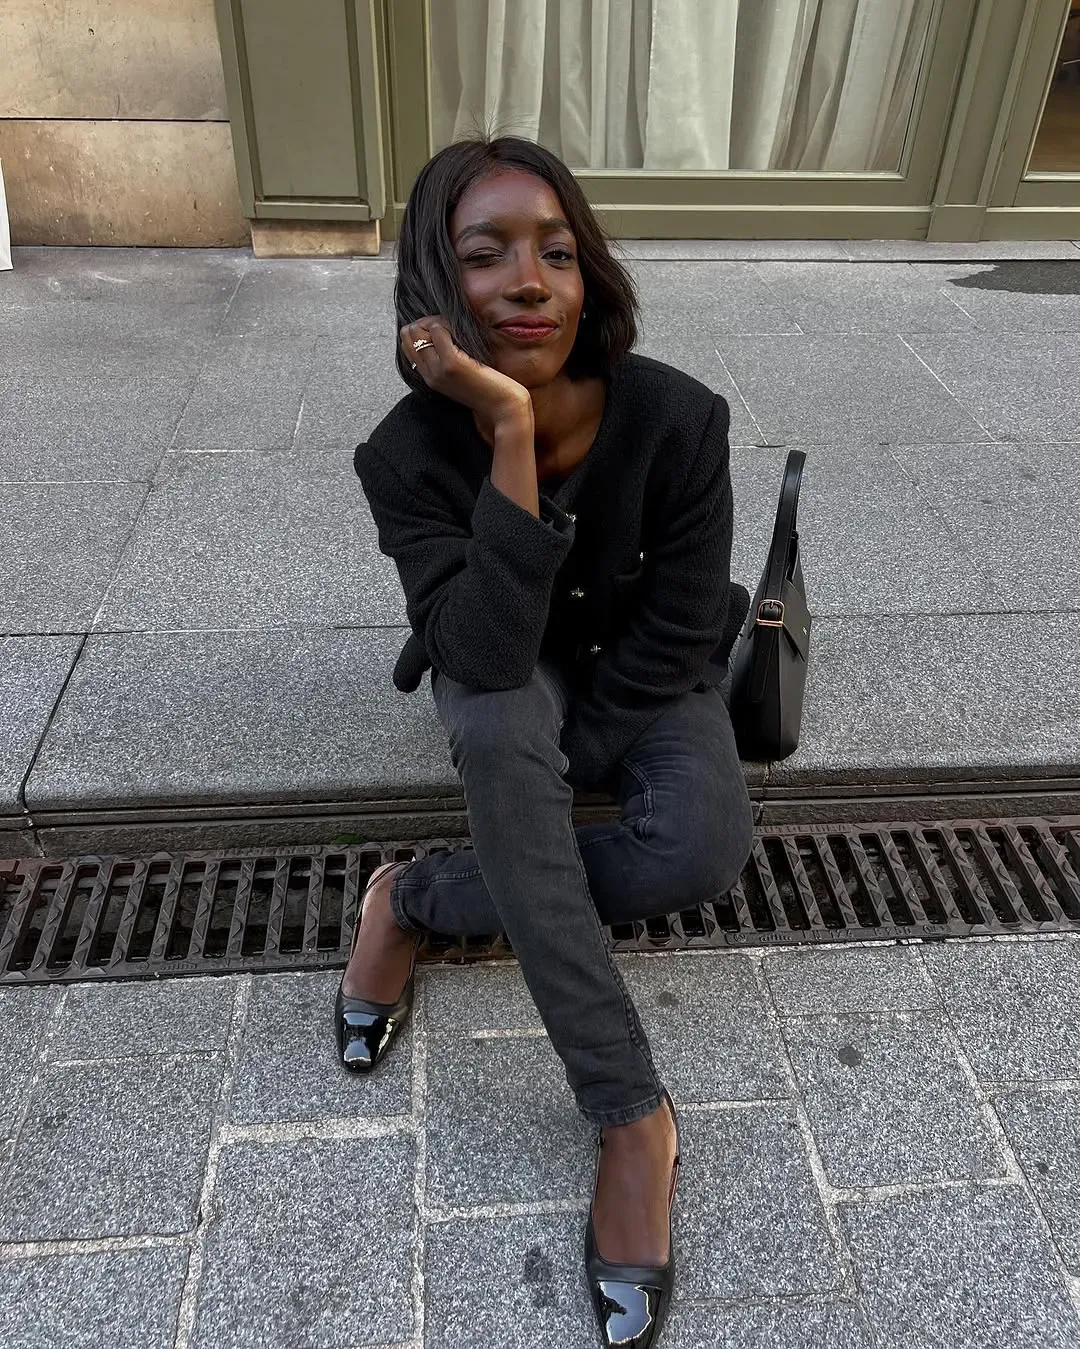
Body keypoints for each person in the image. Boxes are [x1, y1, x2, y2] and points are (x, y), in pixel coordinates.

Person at [342, 135, 753, 1349]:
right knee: (495, 711)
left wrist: (569, 769)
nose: (532, 281)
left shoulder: (680, 418)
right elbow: (474, 645)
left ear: (592, 275)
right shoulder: (405, 453)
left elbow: (684, 616)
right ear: (434, 285)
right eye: (488, 254)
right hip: (503, 654)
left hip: (641, 667)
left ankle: (415, 896)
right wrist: (508, 429)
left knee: (699, 850)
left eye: (558, 252)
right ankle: (632, 1116)